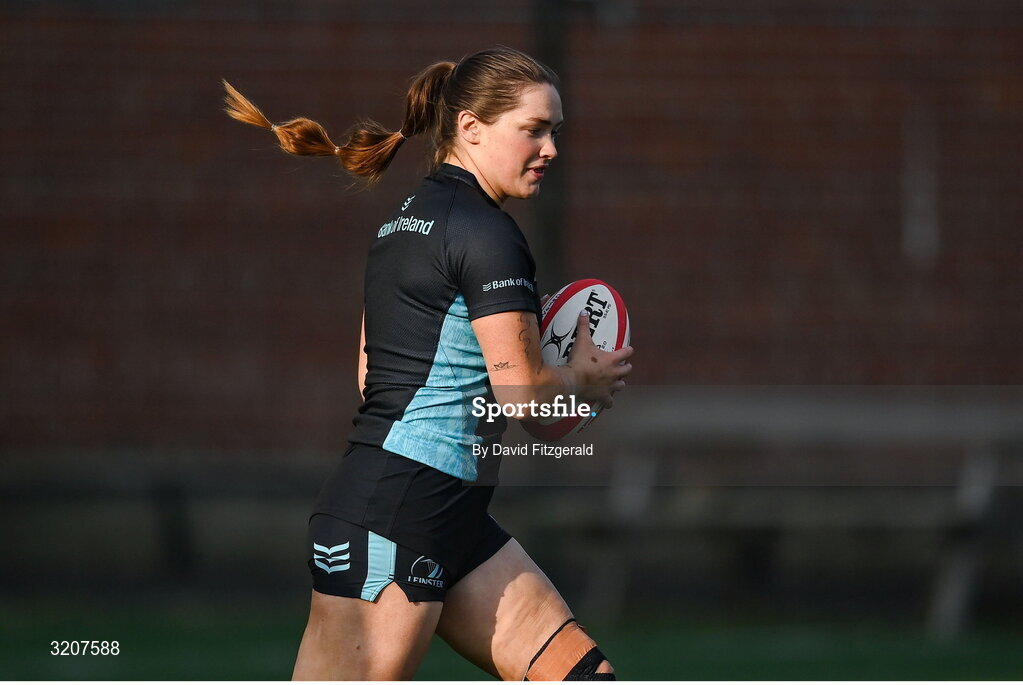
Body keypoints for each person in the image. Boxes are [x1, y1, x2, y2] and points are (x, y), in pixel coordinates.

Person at [223, 46, 633, 681]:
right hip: (398, 517)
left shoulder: (398, 225)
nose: (551, 148)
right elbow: (524, 396)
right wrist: (584, 378)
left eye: (555, 131)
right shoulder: (489, 234)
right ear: (470, 127)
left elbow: (370, 378)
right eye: (534, 130)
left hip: (444, 512)